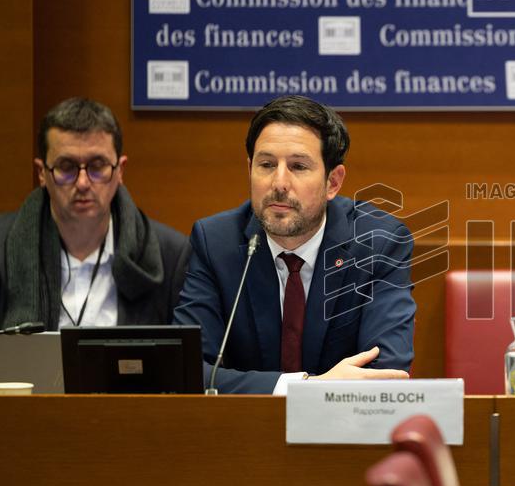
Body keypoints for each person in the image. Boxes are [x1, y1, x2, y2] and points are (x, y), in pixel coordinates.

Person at [173, 95, 415, 394]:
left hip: (342, 424)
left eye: (298, 166)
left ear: (333, 182)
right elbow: (186, 371)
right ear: (250, 169)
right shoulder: (215, 243)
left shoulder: (377, 244)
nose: (279, 183)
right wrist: (306, 387)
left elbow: (385, 375)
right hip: (245, 423)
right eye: (266, 164)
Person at [0, 98, 189, 329]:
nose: (82, 183)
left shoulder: (170, 255)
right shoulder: (2, 246)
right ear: (42, 173)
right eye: (66, 167)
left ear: (120, 171)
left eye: (97, 166)